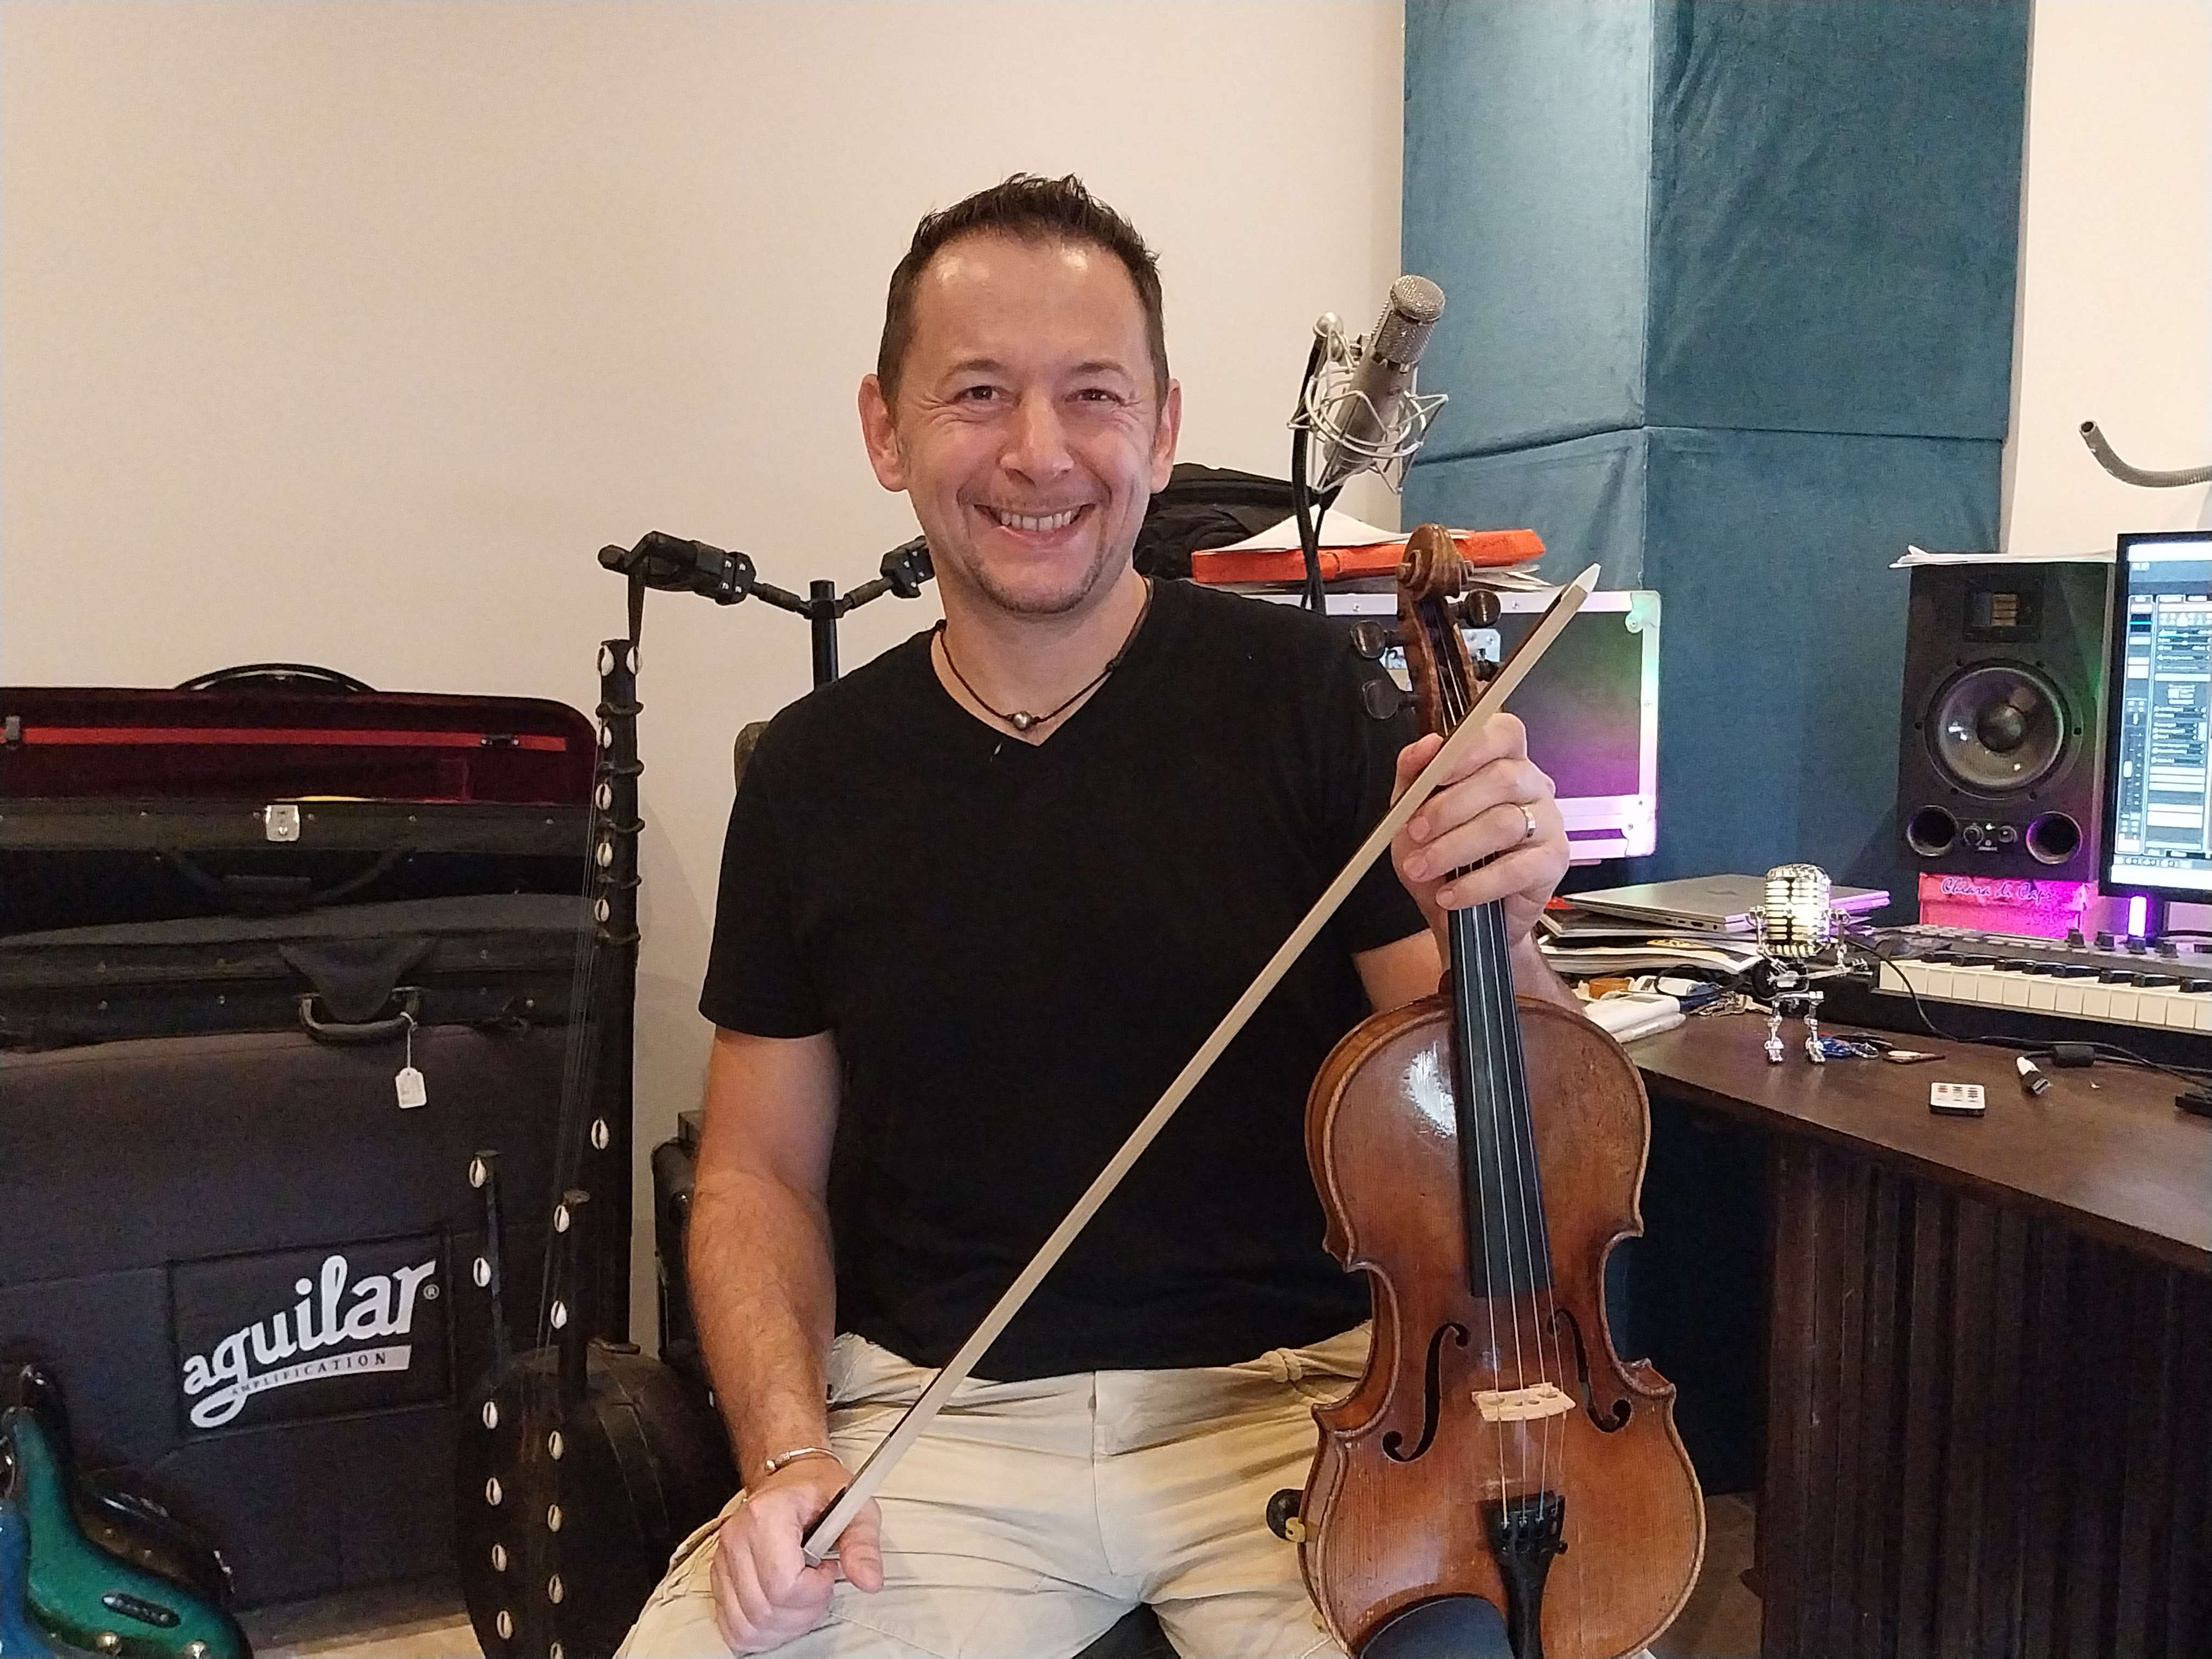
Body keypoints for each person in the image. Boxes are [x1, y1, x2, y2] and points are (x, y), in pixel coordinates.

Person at [618, 175, 1574, 1659]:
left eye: (1093, 394)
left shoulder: (1310, 701)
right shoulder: (811, 774)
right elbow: (755, 1174)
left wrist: (1503, 933)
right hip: (939, 1428)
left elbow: (1490, 1103)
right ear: (884, 428)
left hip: (1300, 1410)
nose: (1039, 451)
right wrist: (788, 1451)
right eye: (977, 392)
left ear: (1164, 426)